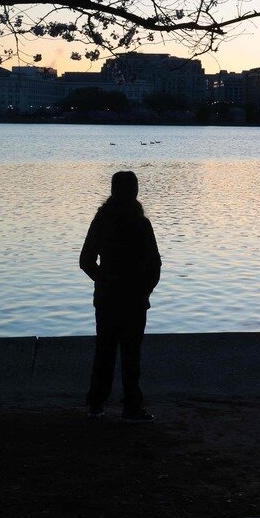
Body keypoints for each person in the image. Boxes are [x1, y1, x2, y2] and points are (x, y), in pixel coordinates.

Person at [80, 170, 161, 422]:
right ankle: (131, 408)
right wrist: (145, 289)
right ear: (135, 191)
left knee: (104, 351)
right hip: (134, 298)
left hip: (106, 298)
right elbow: (155, 264)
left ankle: (96, 405)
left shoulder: (102, 220)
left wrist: (103, 281)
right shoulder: (141, 223)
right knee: (131, 355)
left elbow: (86, 261)